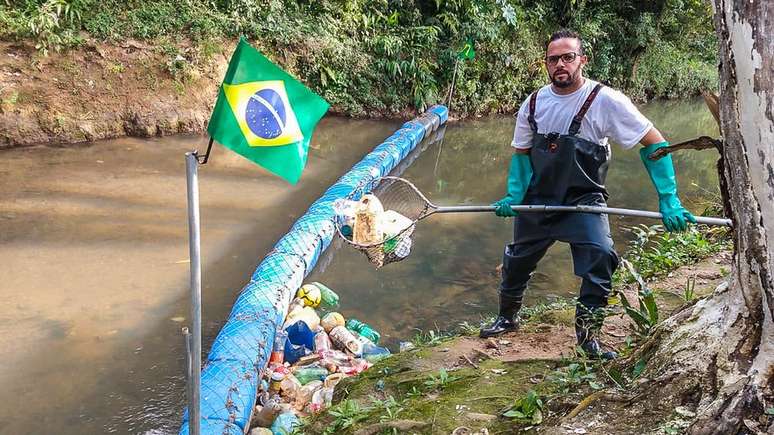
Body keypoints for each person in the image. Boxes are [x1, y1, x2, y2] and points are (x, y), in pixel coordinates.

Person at [479, 29, 696, 359]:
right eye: (554, 59)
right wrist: (513, 196)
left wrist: (669, 198)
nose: (560, 64)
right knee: (517, 261)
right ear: (546, 65)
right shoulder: (534, 103)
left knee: (600, 258)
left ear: (582, 60)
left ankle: (588, 337)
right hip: (538, 200)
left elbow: (655, 143)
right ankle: (507, 317)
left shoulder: (606, 100)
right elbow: (522, 155)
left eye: (568, 57)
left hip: (584, 201)